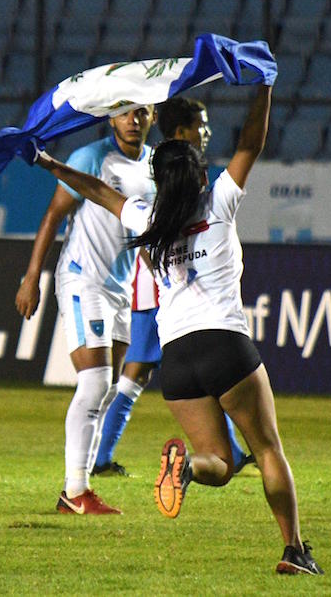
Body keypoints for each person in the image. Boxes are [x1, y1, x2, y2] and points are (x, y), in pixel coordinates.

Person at [31, 84, 324, 575]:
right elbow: (252, 142)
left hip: (178, 360)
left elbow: (100, 193)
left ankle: (188, 466)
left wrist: (50, 165)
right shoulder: (218, 204)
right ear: (199, 173)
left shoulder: (150, 217)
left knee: (219, 464)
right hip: (225, 344)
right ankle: (295, 550)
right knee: (268, 448)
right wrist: (266, 85)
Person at [92, 96, 255, 478]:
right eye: (201, 125)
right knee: (136, 371)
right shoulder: (167, 173)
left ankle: (228, 451)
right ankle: (100, 457)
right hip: (162, 292)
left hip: (170, 290)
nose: (207, 132)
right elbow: (146, 231)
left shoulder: (169, 167)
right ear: (181, 132)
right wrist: (161, 271)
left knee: (183, 374)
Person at [15, 105, 157, 515]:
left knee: (108, 387)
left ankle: (81, 484)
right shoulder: (90, 159)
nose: (134, 119)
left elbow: (146, 232)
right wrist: (31, 277)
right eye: (125, 113)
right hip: (82, 278)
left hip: (118, 286)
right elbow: (54, 214)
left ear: (154, 118)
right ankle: (75, 490)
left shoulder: (153, 166)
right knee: (95, 383)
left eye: (143, 112)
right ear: (110, 119)